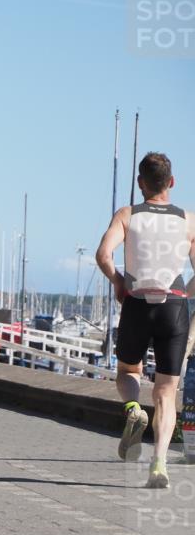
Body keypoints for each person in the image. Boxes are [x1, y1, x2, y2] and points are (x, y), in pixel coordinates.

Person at [95, 152, 194, 489]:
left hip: (137, 302)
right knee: (167, 391)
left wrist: (118, 281)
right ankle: (159, 464)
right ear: (172, 182)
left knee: (128, 371)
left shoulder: (127, 215)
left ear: (140, 183)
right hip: (174, 306)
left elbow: (103, 255)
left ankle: (134, 408)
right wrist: (187, 292)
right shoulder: (187, 220)